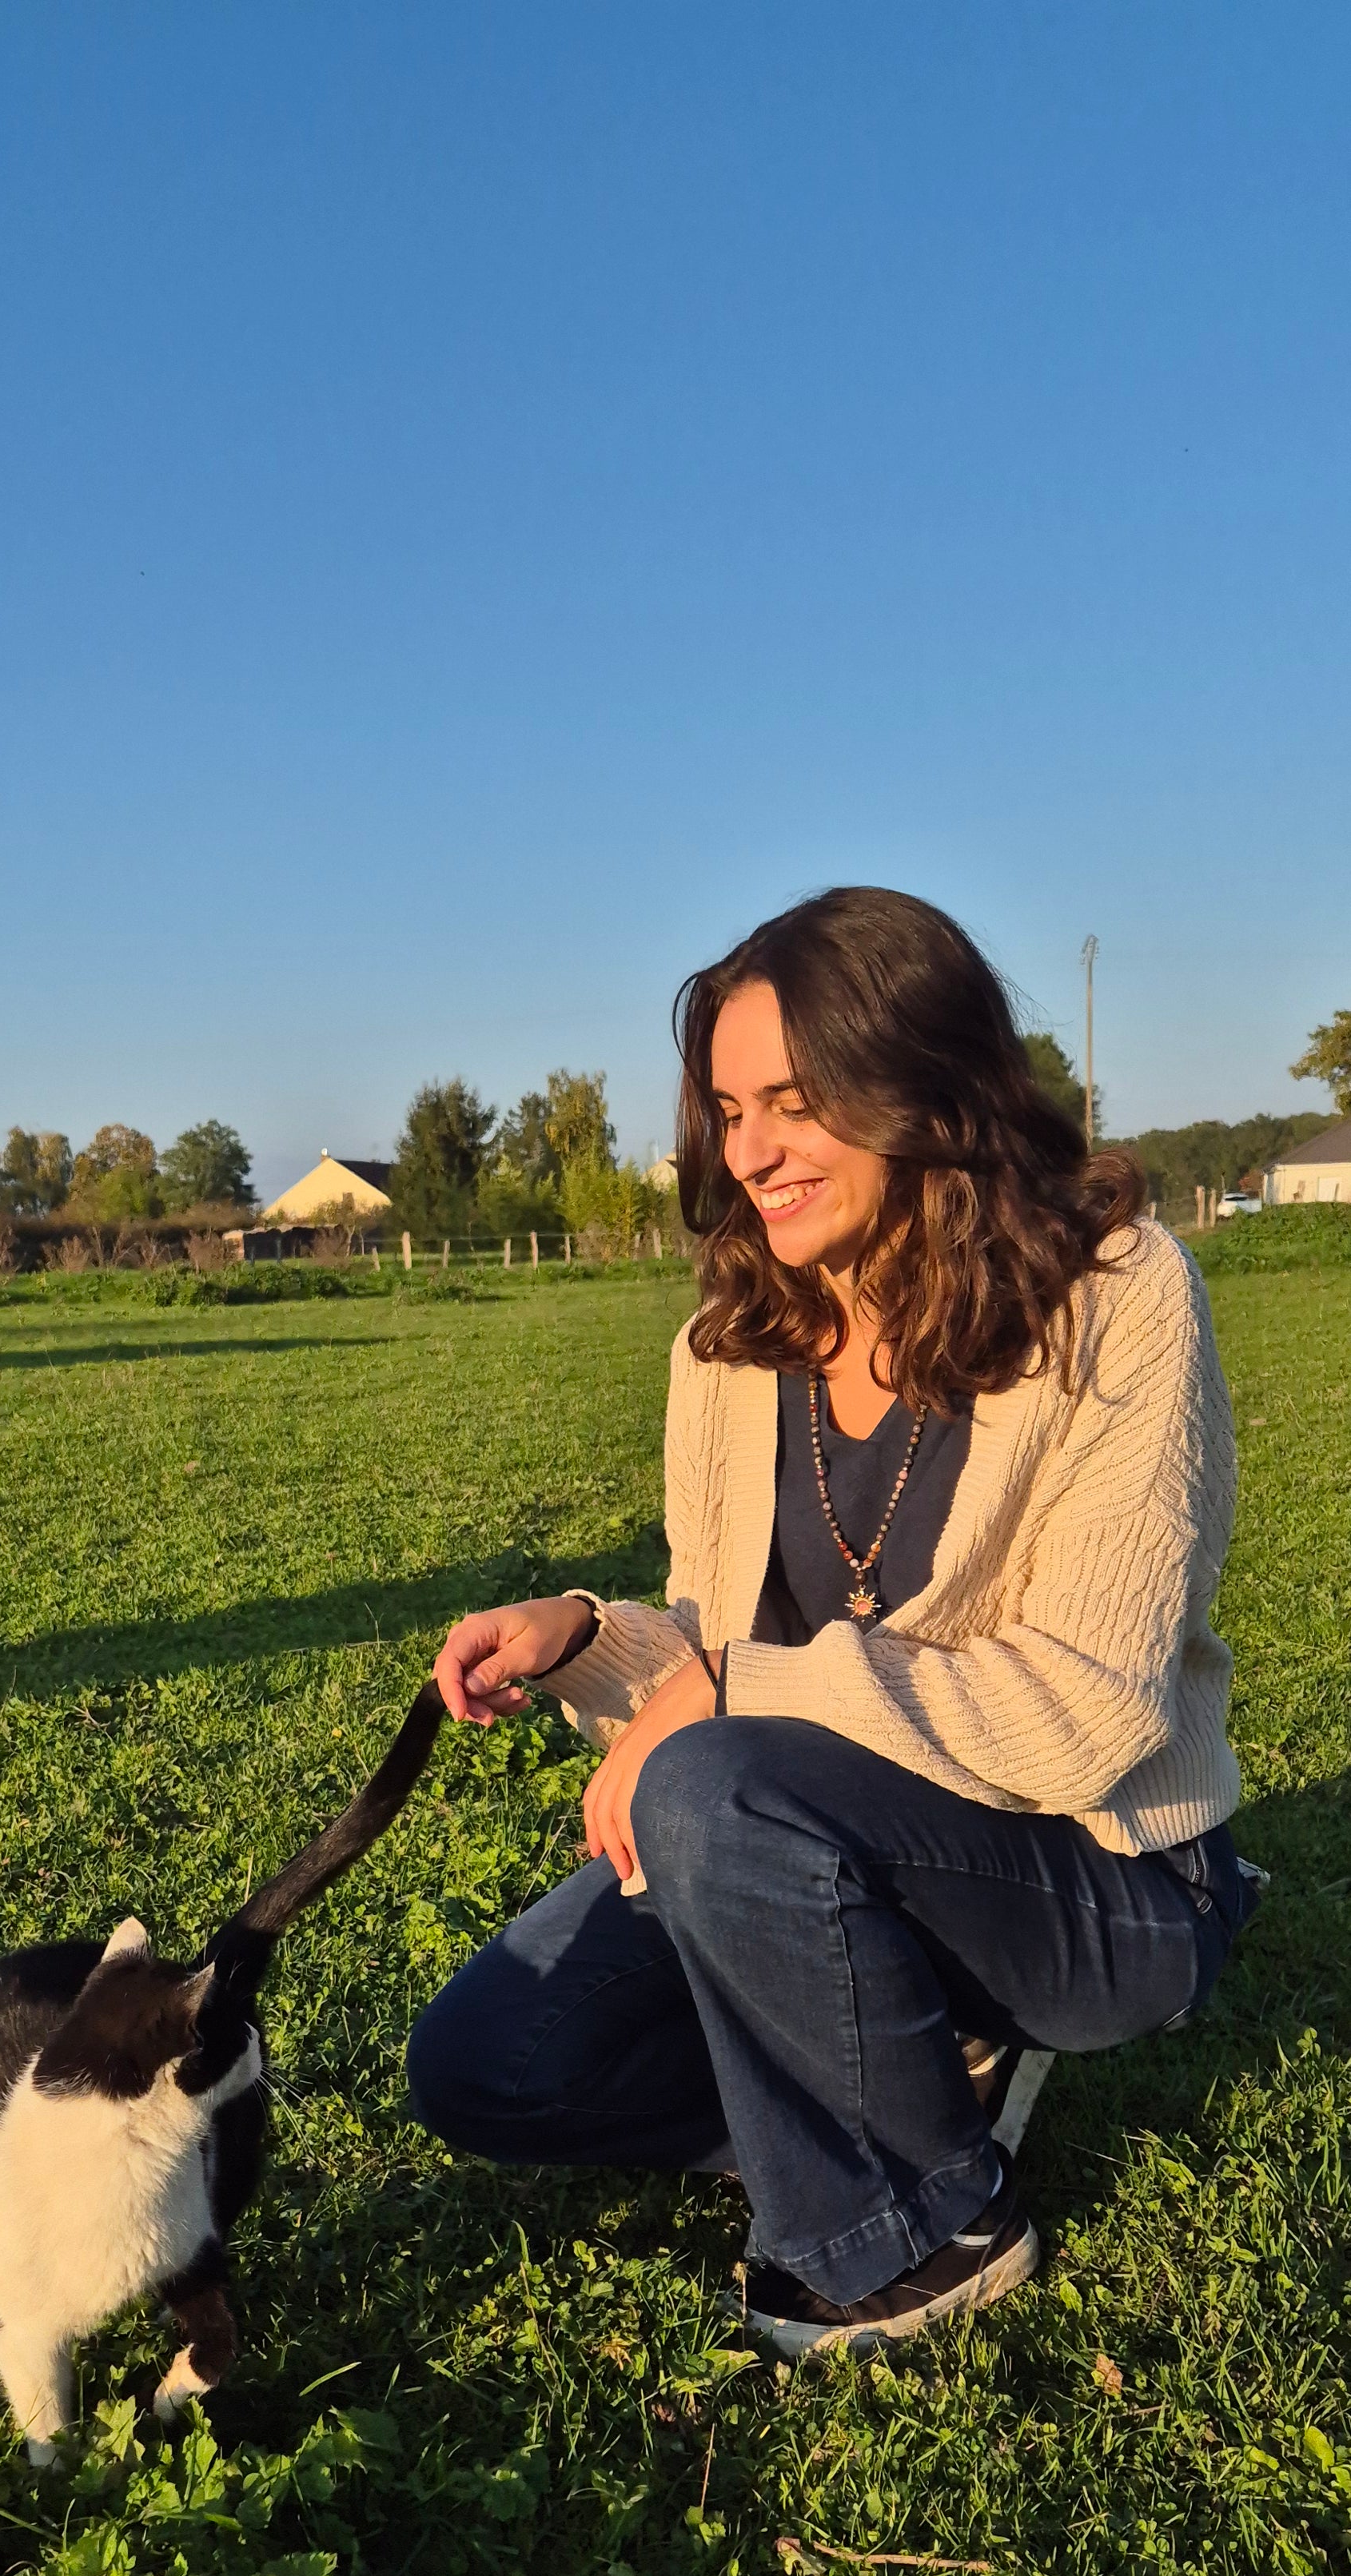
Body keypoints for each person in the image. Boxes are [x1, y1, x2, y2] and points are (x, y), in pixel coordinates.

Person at [408, 886, 1256, 2355]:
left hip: (1097, 1872)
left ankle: (923, 2226)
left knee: (712, 1777)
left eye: (794, 1103)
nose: (750, 1154)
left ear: (925, 1082)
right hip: (812, 1835)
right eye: (731, 1111)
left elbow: (1093, 1711)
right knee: (490, 2065)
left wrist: (732, 1688)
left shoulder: (1116, 1297)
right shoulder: (727, 1346)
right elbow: (710, 1653)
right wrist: (589, 1637)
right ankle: (906, 2052)